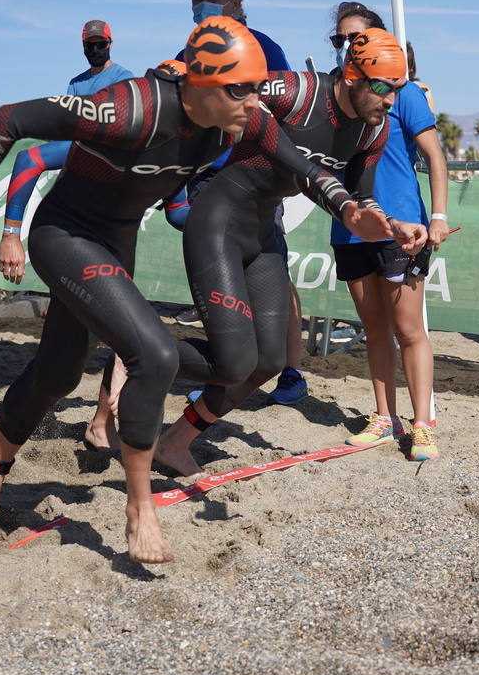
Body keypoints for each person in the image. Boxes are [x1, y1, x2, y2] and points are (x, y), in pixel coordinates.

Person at [0, 17, 391, 563]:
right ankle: (139, 510)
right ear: (202, 85)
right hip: (65, 234)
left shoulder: (242, 117)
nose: (254, 104)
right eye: (240, 90)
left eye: (255, 90)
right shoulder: (131, 108)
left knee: (60, 373)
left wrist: (350, 208)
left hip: (116, 239)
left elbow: (300, 165)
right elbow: (9, 121)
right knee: (152, 353)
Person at [153, 27, 425, 479]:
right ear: (351, 76)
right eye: (382, 88)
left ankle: (175, 439)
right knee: (233, 357)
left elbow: (362, 195)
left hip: (263, 232)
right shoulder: (298, 89)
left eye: (398, 90)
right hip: (218, 221)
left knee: (268, 362)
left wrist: (392, 224)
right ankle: (141, 351)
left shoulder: (371, 131)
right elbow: (227, 90)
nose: (390, 102)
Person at [0, 19, 135, 450]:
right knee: (70, 339)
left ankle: (99, 422)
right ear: (83, 46)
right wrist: (11, 233)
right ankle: (14, 418)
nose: (96, 49)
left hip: (110, 224)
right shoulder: (78, 89)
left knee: (121, 332)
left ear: (110, 43)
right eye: (90, 44)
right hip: (77, 225)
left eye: (102, 44)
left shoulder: (126, 84)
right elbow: (32, 154)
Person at [174, 0, 308, 404]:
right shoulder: (191, 50)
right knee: (223, 282)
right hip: (208, 183)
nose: (202, 4)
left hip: (256, 179)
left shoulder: (265, 47)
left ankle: (290, 371)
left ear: (235, 0)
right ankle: (220, 372)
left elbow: (286, 113)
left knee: (273, 275)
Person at [324, 3, 449, 461]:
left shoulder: (404, 91)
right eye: (340, 40)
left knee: (409, 329)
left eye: (355, 37)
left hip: (403, 228)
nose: (348, 46)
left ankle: (422, 425)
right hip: (351, 228)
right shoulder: (336, 98)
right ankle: (384, 418)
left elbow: (436, 156)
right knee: (374, 329)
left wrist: (437, 216)